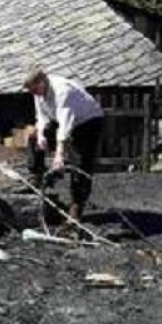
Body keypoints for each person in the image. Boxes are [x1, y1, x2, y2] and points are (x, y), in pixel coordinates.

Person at [23, 65, 104, 225]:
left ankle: (76, 209)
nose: (34, 95)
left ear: (42, 82)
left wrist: (59, 156)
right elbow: (41, 116)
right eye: (31, 92)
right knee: (33, 136)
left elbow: (65, 126)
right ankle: (36, 177)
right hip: (61, 121)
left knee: (80, 164)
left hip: (87, 122)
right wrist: (41, 136)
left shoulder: (62, 91)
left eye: (35, 90)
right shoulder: (37, 92)